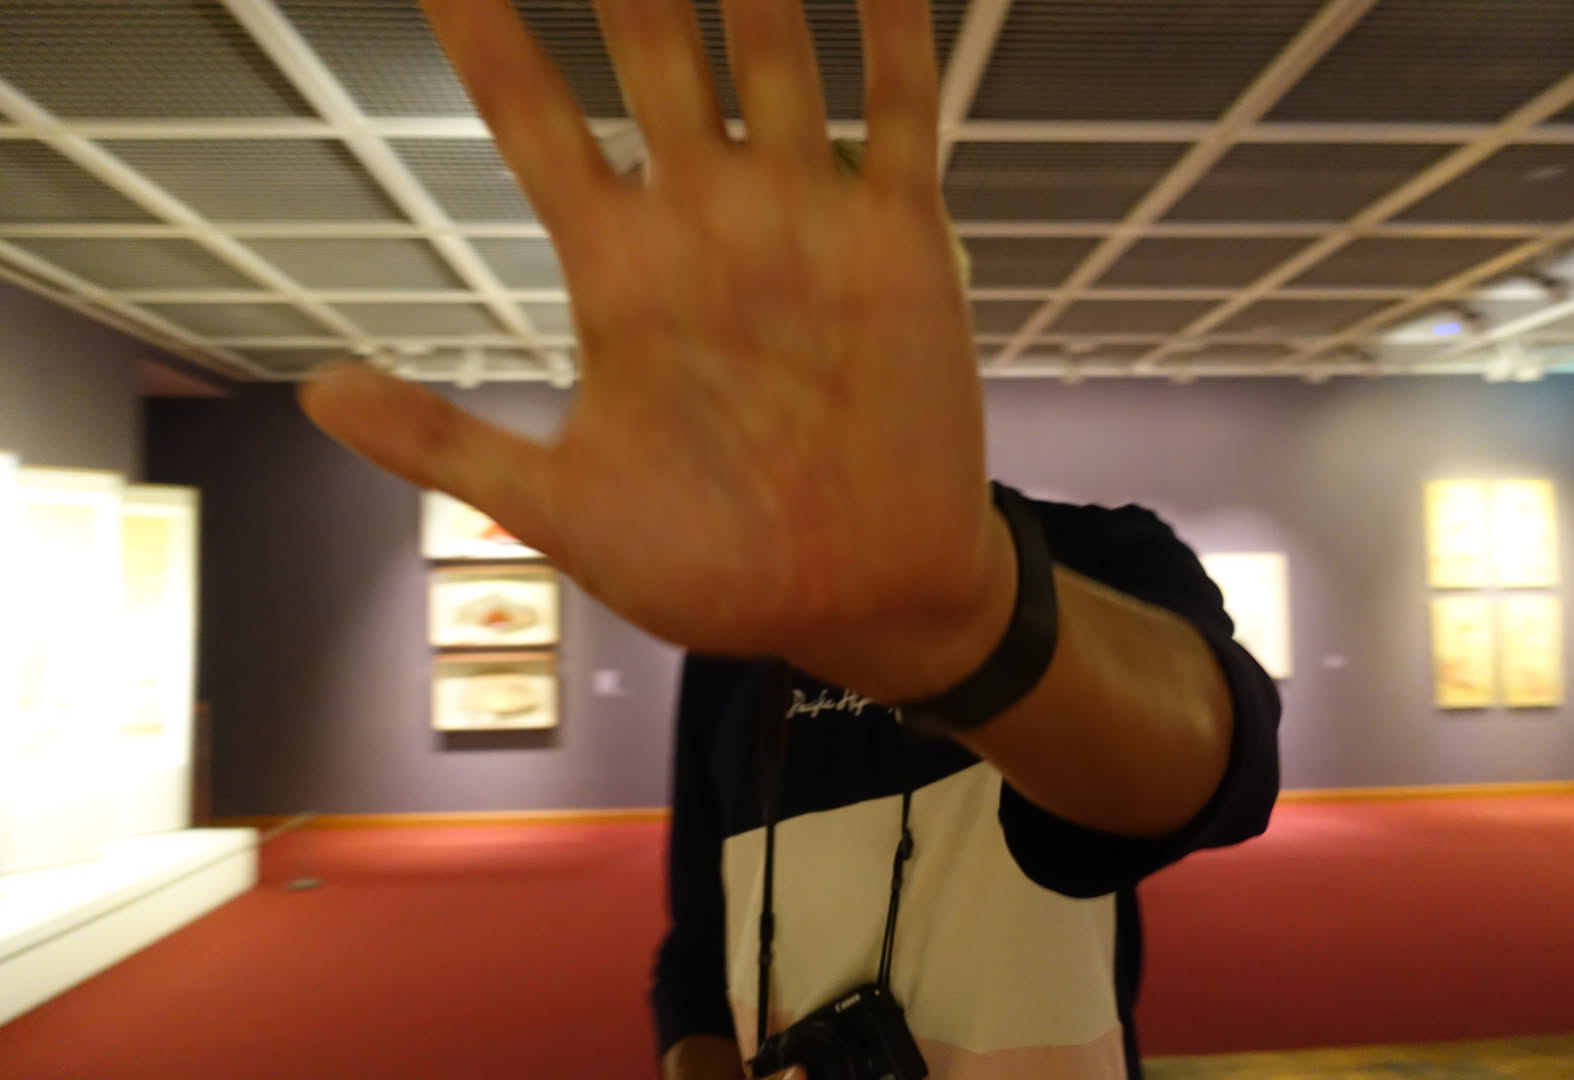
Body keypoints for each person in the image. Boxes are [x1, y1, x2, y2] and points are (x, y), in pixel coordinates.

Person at [297, 2, 1283, 1078]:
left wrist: (968, 632)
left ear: (939, 331)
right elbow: (698, 945)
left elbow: (1216, 774)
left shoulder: (1093, 557)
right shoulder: (735, 641)